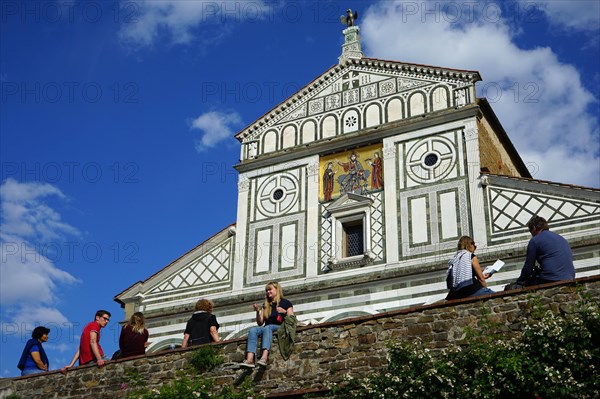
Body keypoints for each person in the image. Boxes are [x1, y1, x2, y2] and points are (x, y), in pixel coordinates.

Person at [239, 281, 294, 368]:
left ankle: (264, 357)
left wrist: (284, 312)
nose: (268, 292)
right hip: (267, 327)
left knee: (267, 328)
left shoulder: (285, 303)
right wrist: (257, 311)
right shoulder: (266, 304)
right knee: (253, 330)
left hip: (280, 326)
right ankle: (250, 359)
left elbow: (292, 320)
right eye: (266, 290)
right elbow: (260, 322)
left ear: (277, 289)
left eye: (270, 289)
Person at [515, 216, 575, 286]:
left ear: (534, 228)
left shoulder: (535, 240)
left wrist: (519, 281)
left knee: (521, 286)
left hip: (551, 278)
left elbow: (528, 267)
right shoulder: (560, 238)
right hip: (570, 277)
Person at [446, 236, 494, 300]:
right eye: (474, 245)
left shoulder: (454, 259)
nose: (475, 248)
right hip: (472, 290)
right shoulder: (471, 256)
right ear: (470, 244)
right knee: (497, 297)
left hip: (458, 293)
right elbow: (481, 279)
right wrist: (485, 289)